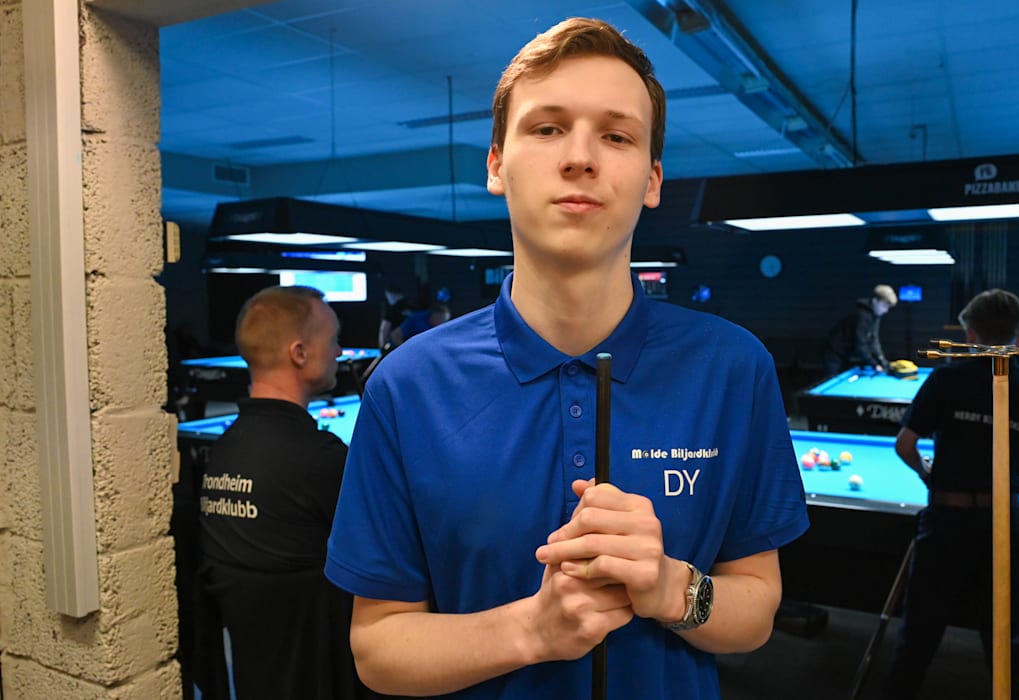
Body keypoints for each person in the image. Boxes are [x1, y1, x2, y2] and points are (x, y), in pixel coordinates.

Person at [325, 17, 809, 699]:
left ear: (652, 179)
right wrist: (533, 630)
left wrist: (671, 587)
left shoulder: (733, 369)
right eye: (548, 128)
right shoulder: (406, 386)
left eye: (617, 136)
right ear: (496, 165)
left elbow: (756, 611)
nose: (581, 157)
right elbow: (378, 648)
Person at [196, 285, 373, 700]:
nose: (339, 351)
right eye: (333, 339)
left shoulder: (224, 452)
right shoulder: (318, 459)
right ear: (300, 353)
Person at [882, 289, 1019, 700]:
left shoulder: (946, 379)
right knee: (1008, 642)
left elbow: (905, 445)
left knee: (918, 635)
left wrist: (928, 474)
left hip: (946, 522)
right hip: (1005, 525)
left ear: (970, 335)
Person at [822, 284, 897, 375]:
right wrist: (874, 364)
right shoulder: (862, 315)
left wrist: (881, 359)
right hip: (834, 353)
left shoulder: (876, 315)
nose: (886, 310)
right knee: (833, 378)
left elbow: (874, 339)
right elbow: (861, 345)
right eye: (884, 306)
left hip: (847, 353)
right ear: (875, 301)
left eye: (888, 307)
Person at [378, 282, 410, 349]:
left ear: (390, 294)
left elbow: (384, 329)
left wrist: (382, 347)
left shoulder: (392, 310)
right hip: (411, 344)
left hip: (396, 346)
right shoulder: (412, 307)